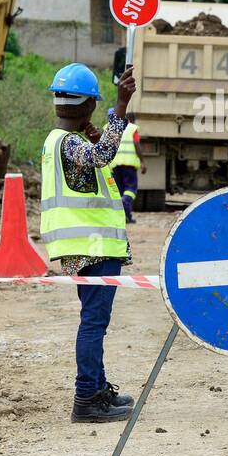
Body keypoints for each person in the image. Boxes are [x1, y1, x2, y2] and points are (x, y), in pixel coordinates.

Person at [40, 62, 137, 423]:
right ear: (90, 104)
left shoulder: (63, 141)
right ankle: (86, 399)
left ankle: (97, 388)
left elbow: (93, 166)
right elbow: (103, 157)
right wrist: (122, 107)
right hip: (92, 246)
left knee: (93, 320)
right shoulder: (69, 144)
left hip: (84, 246)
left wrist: (94, 134)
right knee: (94, 323)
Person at [108, 108, 142, 223]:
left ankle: (125, 216)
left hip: (115, 165)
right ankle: (125, 204)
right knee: (130, 190)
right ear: (132, 119)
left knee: (119, 191)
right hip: (129, 165)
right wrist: (143, 161)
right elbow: (137, 145)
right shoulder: (132, 128)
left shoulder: (112, 128)